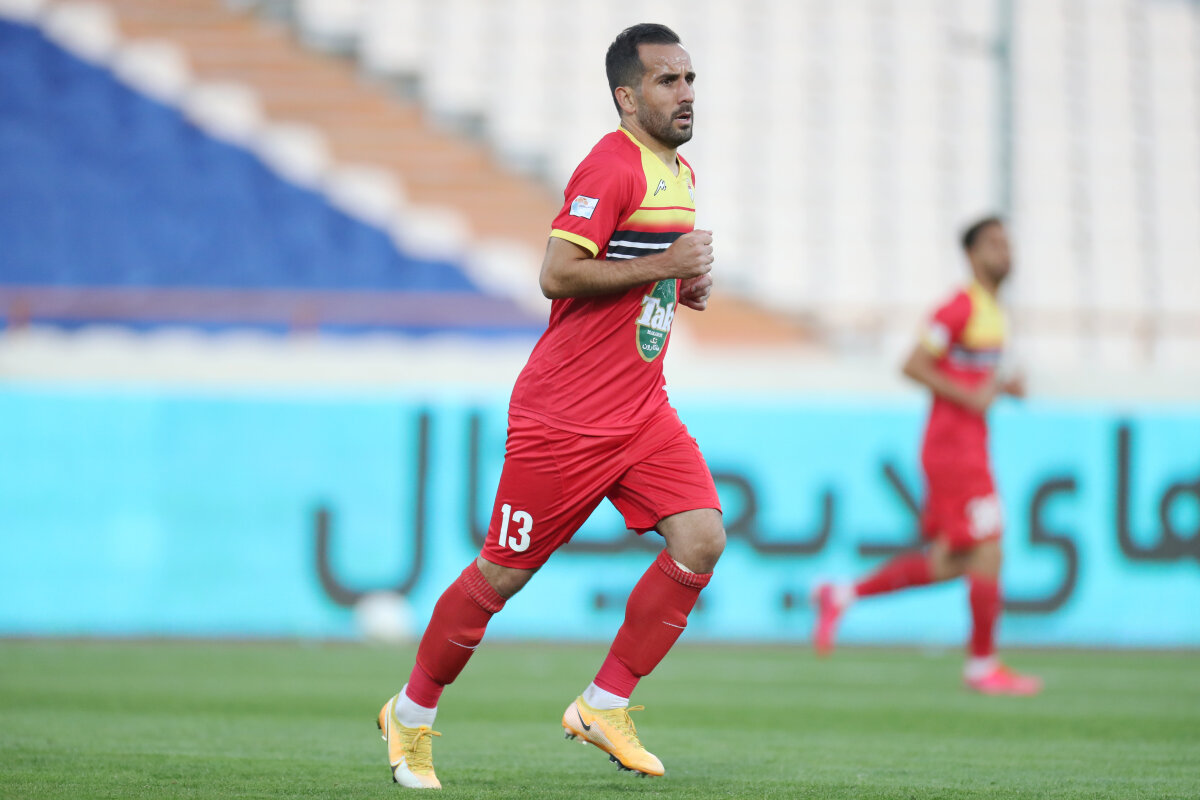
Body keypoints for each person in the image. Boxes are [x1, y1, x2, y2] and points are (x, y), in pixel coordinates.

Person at [376, 23, 725, 788]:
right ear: (627, 97)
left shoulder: (679, 173)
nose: (686, 93)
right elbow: (557, 273)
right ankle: (411, 713)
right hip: (565, 417)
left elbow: (641, 277)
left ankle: (604, 704)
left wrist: (680, 284)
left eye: (690, 79)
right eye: (667, 81)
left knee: (701, 538)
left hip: (641, 411)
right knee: (500, 577)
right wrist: (665, 263)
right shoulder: (611, 165)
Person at [812, 216, 1042, 697]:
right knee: (989, 549)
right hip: (954, 450)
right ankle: (982, 666)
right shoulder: (960, 307)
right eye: (994, 244)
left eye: (1008, 243)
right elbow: (913, 365)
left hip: (968, 445)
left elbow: (974, 377)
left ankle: (843, 594)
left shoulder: (993, 312)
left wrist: (1002, 387)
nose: (1006, 252)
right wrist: (971, 396)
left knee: (955, 559)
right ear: (972, 254)